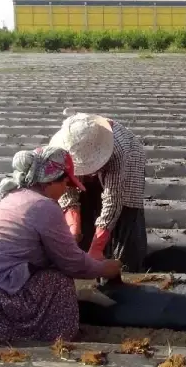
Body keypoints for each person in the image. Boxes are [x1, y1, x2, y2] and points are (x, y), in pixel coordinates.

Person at [0, 147, 121, 341]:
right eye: (67, 184)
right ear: (52, 181)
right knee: (58, 281)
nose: (65, 192)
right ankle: (59, 336)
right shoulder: (43, 205)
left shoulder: (7, 197)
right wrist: (105, 268)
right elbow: (73, 264)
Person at [50, 110, 148, 271]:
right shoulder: (63, 146)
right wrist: (74, 228)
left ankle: (125, 264)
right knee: (84, 208)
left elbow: (113, 201)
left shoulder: (119, 151)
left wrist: (97, 247)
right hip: (81, 152)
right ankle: (84, 253)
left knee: (126, 210)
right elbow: (66, 187)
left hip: (129, 160)